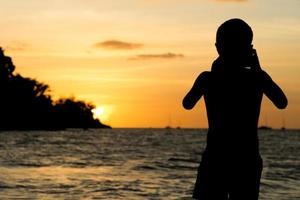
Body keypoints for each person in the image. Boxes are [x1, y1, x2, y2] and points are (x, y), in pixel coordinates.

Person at [182, 19, 288, 200]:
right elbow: (282, 102)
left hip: (217, 159)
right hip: (246, 160)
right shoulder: (257, 78)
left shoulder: (208, 79)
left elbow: (187, 103)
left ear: (217, 48)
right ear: (249, 48)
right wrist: (259, 72)